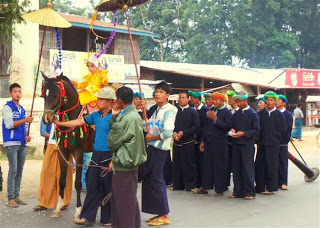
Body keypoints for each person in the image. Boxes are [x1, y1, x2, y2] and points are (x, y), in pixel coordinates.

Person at [53, 87, 115, 226]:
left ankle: (108, 218)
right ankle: (87, 216)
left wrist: (115, 159)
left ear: (110, 101)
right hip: (96, 153)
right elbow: (78, 122)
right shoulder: (95, 115)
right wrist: (60, 124)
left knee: (107, 187)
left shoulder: (115, 117)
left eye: (101, 99)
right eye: (98, 98)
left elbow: (121, 139)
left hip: (109, 154)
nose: (98, 101)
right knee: (92, 184)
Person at [107, 86, 147, 228]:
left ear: (118, 100)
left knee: (123, 204)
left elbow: (112, 142)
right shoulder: (133, 114)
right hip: (130, 162)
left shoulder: (126, 118)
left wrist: (113, 119)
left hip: (124, 163)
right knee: (128, 201)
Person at [141, 81, 177, 226]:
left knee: (157, 180)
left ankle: (164, 214)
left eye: (161, 92)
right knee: (149, 180)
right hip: (151, 148)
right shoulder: (156, 109)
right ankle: (157, 212)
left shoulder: (170, 110)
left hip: (160, 149)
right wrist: (143, 111)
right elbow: (147, 127)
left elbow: (168, 132)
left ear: (167, 95)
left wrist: (152, 137)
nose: (157, 94)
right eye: (156, 91)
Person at [195, 92, 232, 196]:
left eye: (216, 100)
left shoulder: (227, 112)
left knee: (219, 165)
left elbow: (227, 127)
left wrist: (215, 119)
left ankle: (220, 188)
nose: (213, 102)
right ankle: (205, 186)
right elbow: (206, 128)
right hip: (209, 142)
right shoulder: (211, 111)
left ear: (222, 101)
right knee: (207, 165)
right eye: (213, 100)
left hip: (220, 143)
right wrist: (202, 141)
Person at [2, 83, 33, 208]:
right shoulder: (7, 107)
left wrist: (26, 136)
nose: (17, 93)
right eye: (15, 91)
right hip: (11, 143)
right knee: (13, 170)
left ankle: (16, 196)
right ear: (10, 94)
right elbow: (9, 124)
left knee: (19, 171)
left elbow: (23, 126)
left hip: (22, 143)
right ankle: (10, 198)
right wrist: (25, 120)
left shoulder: (22, 109)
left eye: (19, 91)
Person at [33, 123, 73, 211]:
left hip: (65, 146)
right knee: (46, 173)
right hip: (51, 144)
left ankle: (63, 201)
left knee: (64, 175)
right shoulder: (49, 113)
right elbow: (43, 131)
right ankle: (44, 202)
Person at [228, 92, 260, 200]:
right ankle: (237, 191)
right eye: (237, 101)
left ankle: (249, 192)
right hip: (236, 144)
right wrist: (232, 131)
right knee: (236, 168)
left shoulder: (253, 114)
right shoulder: (236, 115)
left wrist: (244, 134)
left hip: (247, 145)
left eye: (240, 101)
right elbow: (231, 127)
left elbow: (256, 130)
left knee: (247, 169)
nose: (238, 103)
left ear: (246, 101)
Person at [255, 91, 286, 195]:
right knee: (260, 165)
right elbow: (257, 129)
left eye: (272, 100)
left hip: (273, 144)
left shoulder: (279, 115)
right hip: (262, 143)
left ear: (275, 101)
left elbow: (283, 130)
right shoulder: (260, 114)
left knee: (271, 165)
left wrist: (276, 139)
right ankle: (259, 187)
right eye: (267, 100)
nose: (269, 102)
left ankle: (270, 187)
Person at [172, 91, 200, 191]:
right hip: (176, 141)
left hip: (188, 141)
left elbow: (196, 126)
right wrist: (174, 132)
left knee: (188, 163)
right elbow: (172, 124)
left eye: (183, 97)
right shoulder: (175, 111)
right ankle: (177, 185)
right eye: (179, 97)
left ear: (188, 99)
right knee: (177, 163)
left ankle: (190, 185)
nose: (181, 99)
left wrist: (184, 133)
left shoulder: (193, 111)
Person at [189, 90, 209, 188]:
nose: (190, 99)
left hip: (201, 140)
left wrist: (201, 139)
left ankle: (202, 184)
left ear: (197, 99)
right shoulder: (192, 110)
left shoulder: (205, 110)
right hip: (191, 140)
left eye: (192, 97)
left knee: (201, 162)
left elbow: (205, 126)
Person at [276, 94, 293, 190]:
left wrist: (283, 140)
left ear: (283, 103)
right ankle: (275, 181)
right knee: (274, 162)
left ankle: (283, 182)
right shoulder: (274, 113)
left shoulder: (287, 115)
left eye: (278, 100)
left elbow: (288, 129)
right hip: (273, 141)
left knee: (282, 162)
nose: (276, 102)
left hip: (282, 142)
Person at [226, 90, 239, 187]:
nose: (229, 99)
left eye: (230, 98)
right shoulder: (228, 111)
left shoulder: (240, 111)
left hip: (239, 142)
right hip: (228, 142)